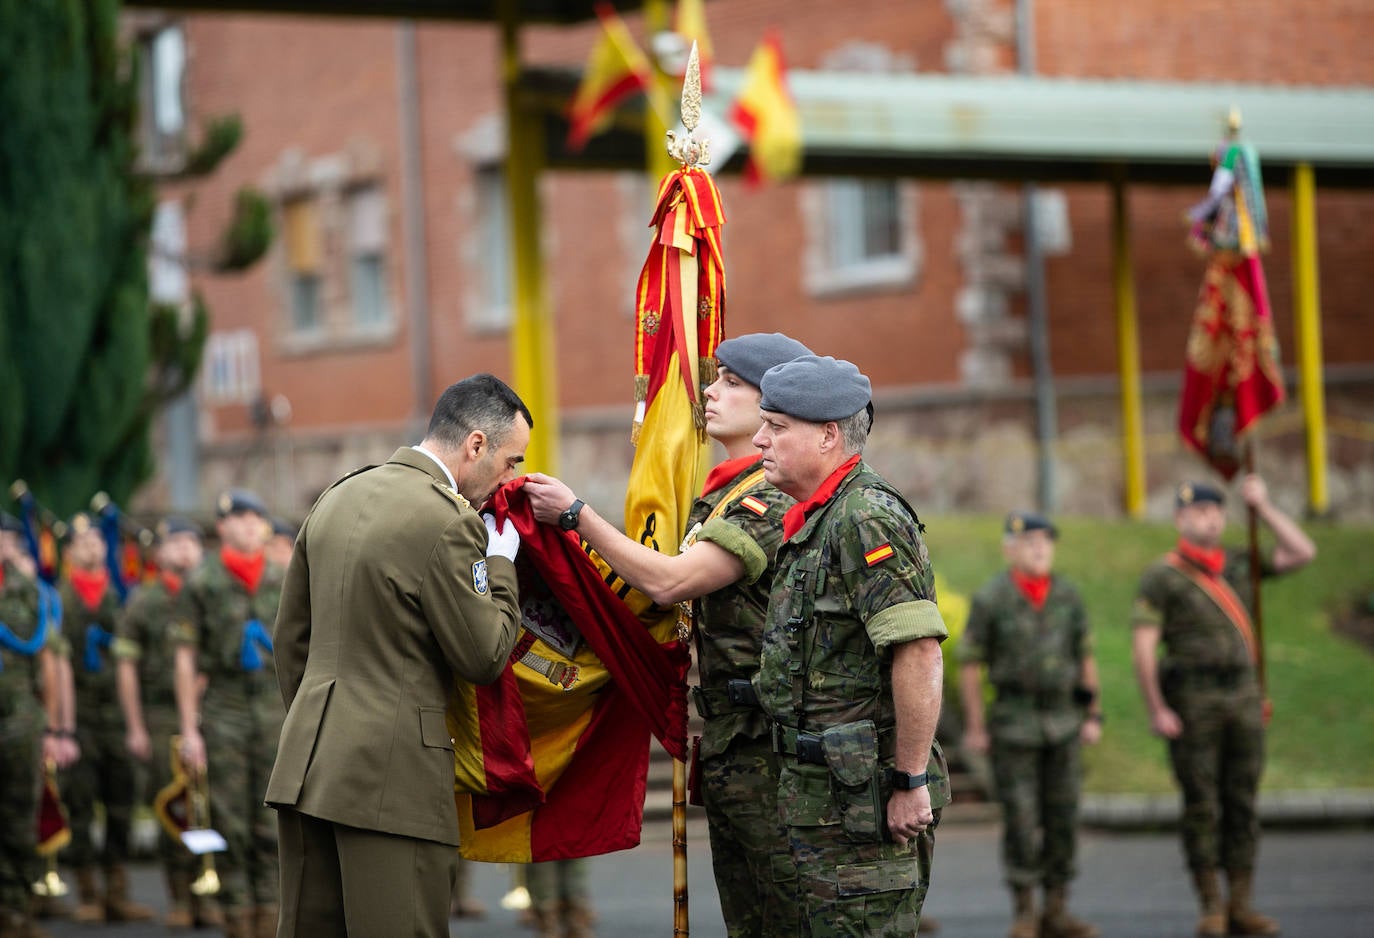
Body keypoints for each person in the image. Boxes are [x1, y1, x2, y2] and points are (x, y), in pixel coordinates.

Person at [525, 332, 813, 938]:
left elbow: (672, 583)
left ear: (773, 403)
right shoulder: (725, 492)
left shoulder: (766, 495)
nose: (709, 391)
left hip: (776, 749)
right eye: (715, 377)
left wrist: (578, 517)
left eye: (732, 383)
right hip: (742, 739)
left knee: (784, 919)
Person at [266, 373, 529, 938]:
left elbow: (291, 642)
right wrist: (503, 565)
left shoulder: (336, 497)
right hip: (393, 778)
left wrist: (325, 724)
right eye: (512, 460)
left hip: (309, 763)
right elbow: (483, 655)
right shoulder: (449, 520)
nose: (513, 477)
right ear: (475, 444)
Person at [751, 355, 949, 937]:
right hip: (823, 794)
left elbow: (918, 651)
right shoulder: (821, 515)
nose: (760, 439)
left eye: (778, 427)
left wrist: (910, 781)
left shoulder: (865, 518)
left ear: (829, 435)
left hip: (864, 802)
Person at [1131, 476, 1316, 937]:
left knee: (1242, 801)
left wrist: (1264, 505)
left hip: (1244, 696)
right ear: (1179, 519)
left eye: (1215, 510)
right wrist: (1157, 708)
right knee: (1202, 803)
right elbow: (1143, 645)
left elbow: (1302, 552)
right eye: (1196, 511)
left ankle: (1241, 903)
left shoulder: (1239, 562)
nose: (1208, 517)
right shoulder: (1163, 575)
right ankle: (1210, 904)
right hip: (1193, 700)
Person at [959, 512, 1101, 938]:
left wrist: (1092, 714)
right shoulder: (992, 598)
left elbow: (1085, 659)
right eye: (1030, 541)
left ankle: (1056, 908)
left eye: (1046, 541)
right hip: (1014, 722)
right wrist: (976, 726)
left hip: (1063, 721)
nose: (1040, 548)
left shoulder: (1068, 596)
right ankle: (1025, 910)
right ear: (1010, 548)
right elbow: (970, 664)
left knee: (1063, 815)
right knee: (1020, 819)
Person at [171, 488, 284, 938]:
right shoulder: (202, 583)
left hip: (276, 710)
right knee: (230, 818)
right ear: (222, 527)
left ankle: (273, 912)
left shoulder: (283, 576)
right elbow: (185, 658)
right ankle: (238, 914)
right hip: (224, 710)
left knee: (275, 818)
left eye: (257, 517)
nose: (250, 524)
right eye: (239, 517)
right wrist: (189, 728)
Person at [113, 517, 220, 929]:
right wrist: (136, 726)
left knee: (212, 805)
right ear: (159, 553)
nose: (186, 549)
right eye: (175, 542)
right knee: (171, 802)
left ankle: (208, 893)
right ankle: (178, 895)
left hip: (212, 712)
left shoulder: (212, 595)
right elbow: (126, 667)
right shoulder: (144, 601)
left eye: (193, 541)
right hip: (161, 715)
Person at [56, 512, 155, 924]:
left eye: (98, 540)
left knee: (121, 802)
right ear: (69, 552)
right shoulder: (58, 600)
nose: (93, 547)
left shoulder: (123, 596)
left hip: (118, 713)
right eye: (82, 543)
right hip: (78, 714)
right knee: (79, 803)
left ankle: (117, 891)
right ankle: (87, 892)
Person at [0, 512, 55, 938]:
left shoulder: (29, 592)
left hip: (19, 718)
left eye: (9, 538)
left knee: (21, 814)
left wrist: (53, 726)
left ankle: (16, 908)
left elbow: (47, 660)